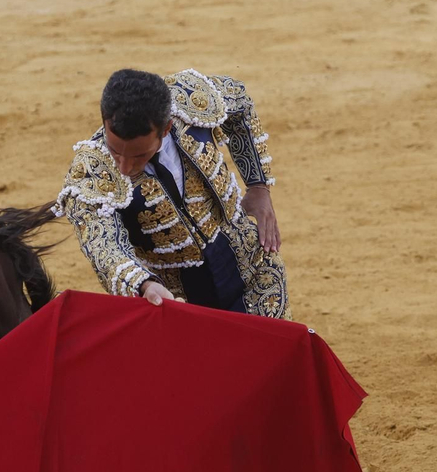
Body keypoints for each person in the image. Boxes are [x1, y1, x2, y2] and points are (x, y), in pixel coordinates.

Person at [52, 68, 288, 319]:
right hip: (174, 299)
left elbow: (239, 103)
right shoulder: (90, 174)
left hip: (253, 274)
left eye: (139, 155)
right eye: (114, 151)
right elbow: (103, 246)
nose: (124, 167)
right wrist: (144, 284)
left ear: (166, 129)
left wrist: (258, 185)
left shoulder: (193, 99)